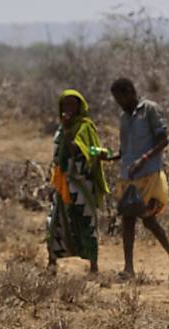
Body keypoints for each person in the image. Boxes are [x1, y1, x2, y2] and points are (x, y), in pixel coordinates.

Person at [108, 78, 169, 280]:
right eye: (117, 99)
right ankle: (129, 268)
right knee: (128, 220)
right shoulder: (124, 117)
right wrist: (110, 157)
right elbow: (124, 149)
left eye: (121, 97)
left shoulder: (150, 110)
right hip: (129, 176)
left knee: (148, 220)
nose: (120, 102)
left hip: (148, 174)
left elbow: (163, 140)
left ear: (131, 92)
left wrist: (143, 159)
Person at [47, 89, 109, 275]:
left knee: (86, 222)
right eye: (65, 105)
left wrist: (68, 131)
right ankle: (51, 263)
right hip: (63, 183)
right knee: (56, 222)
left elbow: (81, 152)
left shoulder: (85, 127)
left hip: (82, 184)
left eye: (72, 104)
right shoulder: (60, 128)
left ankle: (93, 266)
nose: (69, 109)